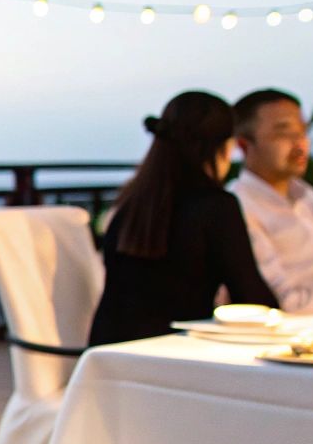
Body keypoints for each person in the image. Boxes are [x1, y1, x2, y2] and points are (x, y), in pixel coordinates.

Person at [89, 91, 278, 346]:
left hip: (109, 359)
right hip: (171, 358)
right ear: (222, 146)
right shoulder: (215, 206)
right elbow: (254, 299)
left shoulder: (130, 205)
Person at [228, 89, 313, 312]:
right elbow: (281, 300)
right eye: (283, 133)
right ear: (244, 145)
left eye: (302, 131)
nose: (299, 142)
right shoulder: (237, 208)